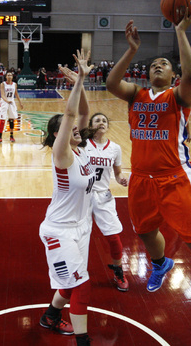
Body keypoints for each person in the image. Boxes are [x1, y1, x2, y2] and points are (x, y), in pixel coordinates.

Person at [106, 13, 191, 318]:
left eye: (165, 64)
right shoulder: (136, 94)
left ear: (172, 76)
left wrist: (181, 31)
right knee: (144, 231)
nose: (158, 65)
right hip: (142, 178)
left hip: (175, 178)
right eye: (154, 63)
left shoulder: (178, 97)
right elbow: (111, 82)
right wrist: (131, 50)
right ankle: (160, 265)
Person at [39, 49, 94, 346]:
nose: (76, 128)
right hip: (59, 232)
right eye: (67, 128)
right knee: (82, 285)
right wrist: (80, 79)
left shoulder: (79, 149)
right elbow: (72, 114)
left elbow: (82, 113)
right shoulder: (62, 155)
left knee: (71, 284)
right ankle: (83, 342)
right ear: (57, 134)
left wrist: (80, 84)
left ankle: (50, 316)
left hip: (79, 228)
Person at [85, 112, 130, 292]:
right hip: (83, 195)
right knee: (79, 235)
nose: (101, 122)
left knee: (113, 236)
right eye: (97, 120)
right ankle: (75, 273)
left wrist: (121, 179)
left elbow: (117, 172)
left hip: (103, 195)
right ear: (90, 125)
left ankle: (119, 270)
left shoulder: (115, 148)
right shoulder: (82, 144)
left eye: (104, 120)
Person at [0, 71, 23, 144]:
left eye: (11, 75)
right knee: (2, 119)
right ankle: (0, 137)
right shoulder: (3, 84)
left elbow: (16, 94)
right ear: (6, 77)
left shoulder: (14, 84)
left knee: (11, 119)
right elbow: (2, 95)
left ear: (12, 77)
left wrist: (20, 102)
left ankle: (11, 136)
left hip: (12, 102)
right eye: (8, 75)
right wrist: (7, 101)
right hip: (4, 102)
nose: (9, 76)